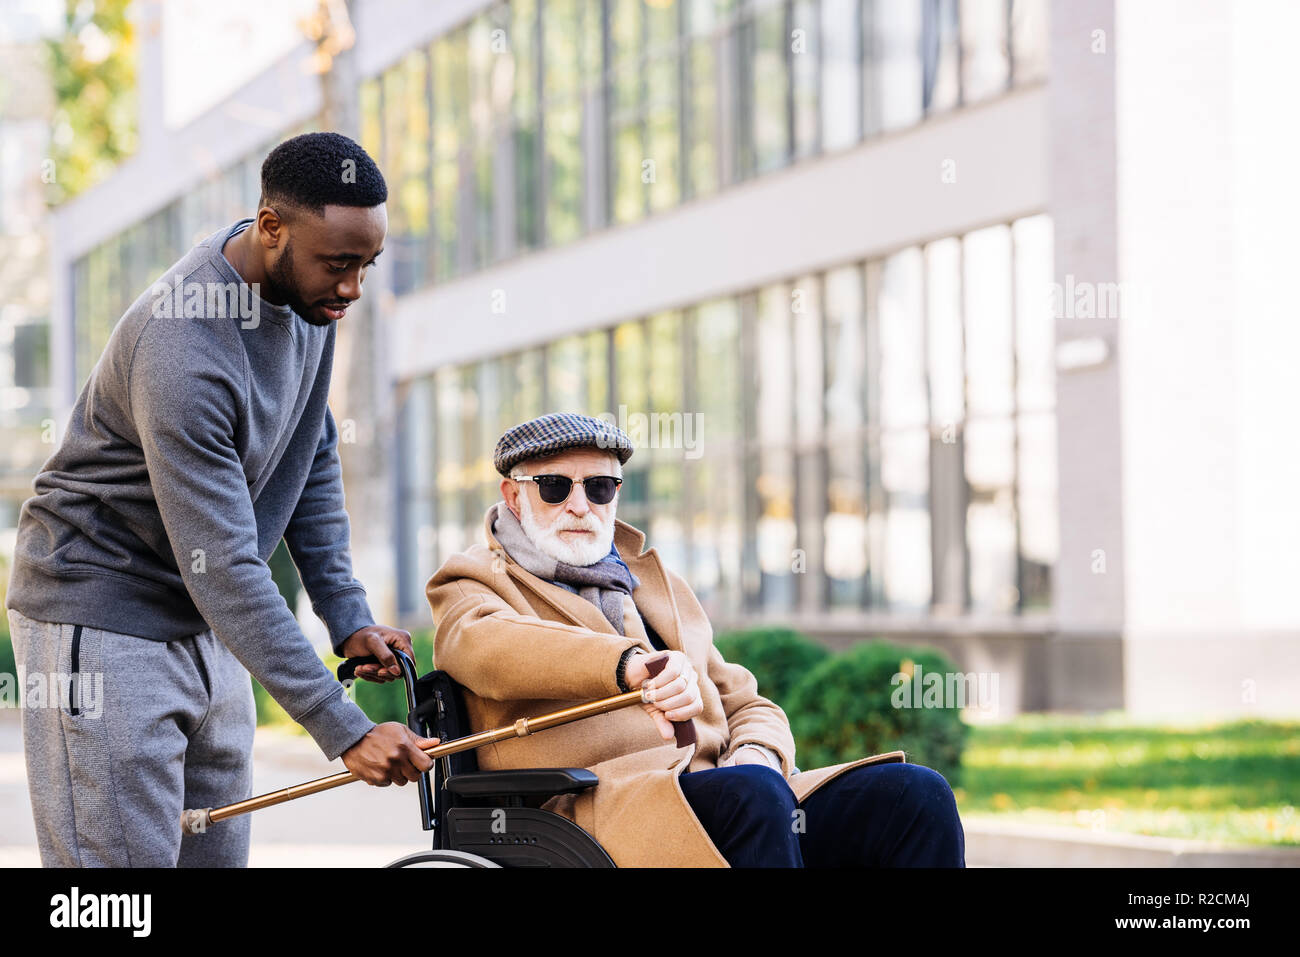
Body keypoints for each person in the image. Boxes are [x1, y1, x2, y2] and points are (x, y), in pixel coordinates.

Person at [4, 132, 438, 868]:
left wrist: (347, 613)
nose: (353, 288)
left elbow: (312, 449)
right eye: (339, 264)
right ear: (272, 227)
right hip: (102, 614)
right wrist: (346, 728)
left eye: (367, 265)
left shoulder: (309, 305)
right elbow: (228, 567)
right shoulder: (181, 347)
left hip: (207, 624)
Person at [425, 412, 965, 867]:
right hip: (590, 808)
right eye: (554, 486)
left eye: (599, 487)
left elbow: (745, 700)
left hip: (726, 794)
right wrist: (630, 664)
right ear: (513, 496)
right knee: (753, 799)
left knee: (915, 794)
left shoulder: (653, 583)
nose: (580, 504)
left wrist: (756, 751)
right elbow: (488, 648)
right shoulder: (473, 581)